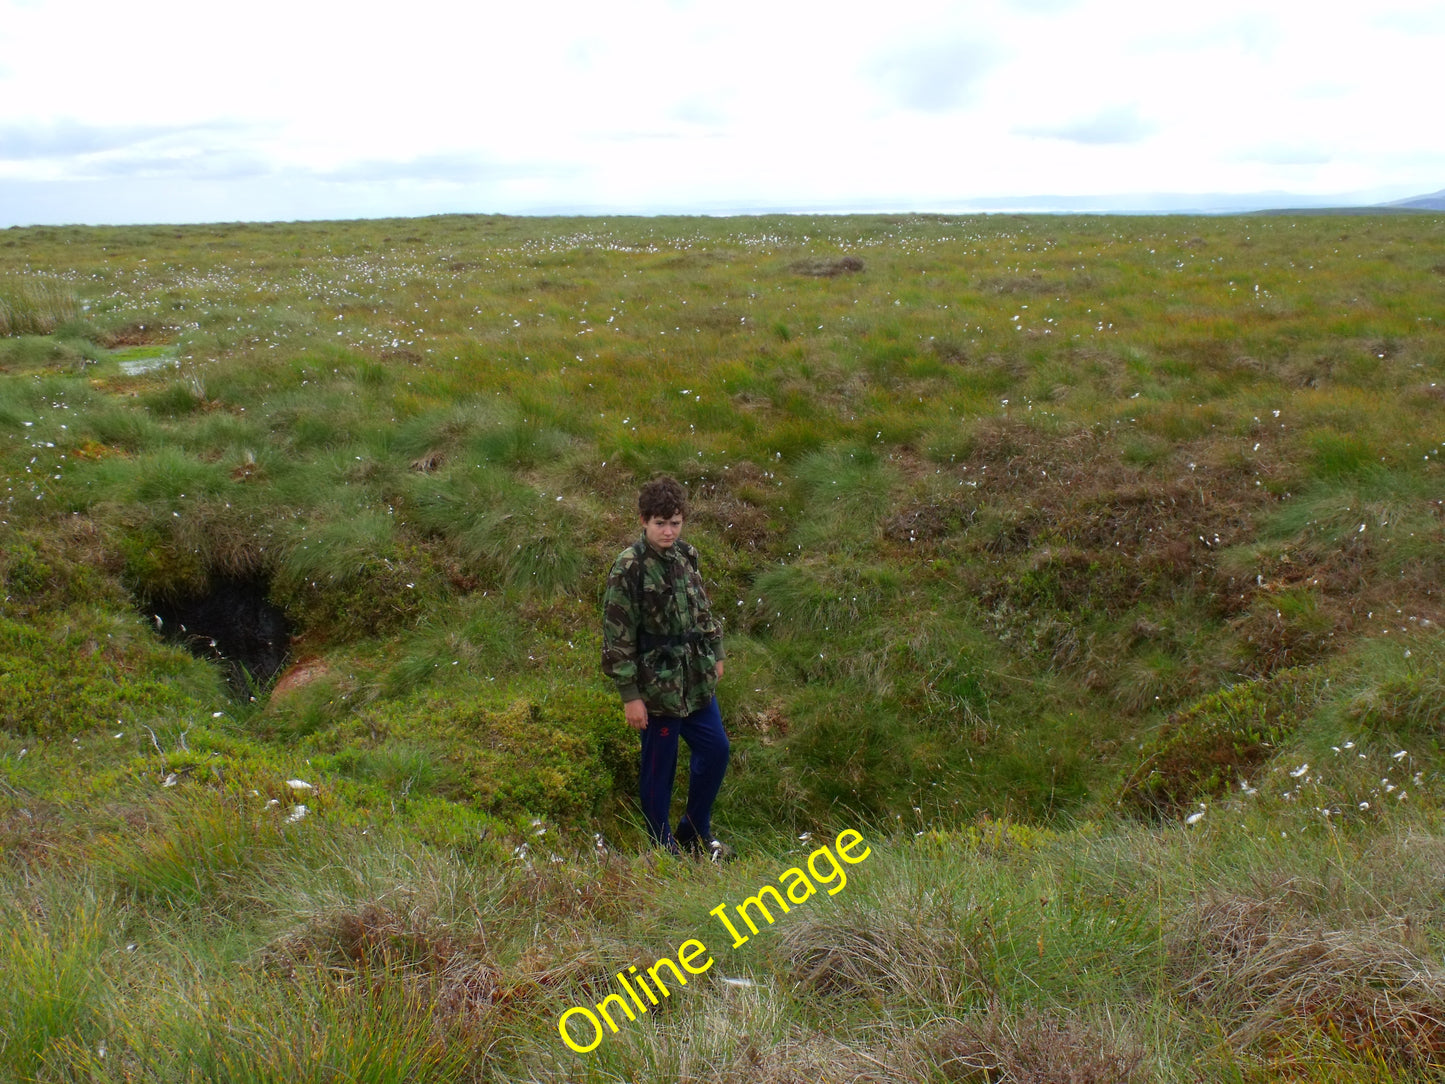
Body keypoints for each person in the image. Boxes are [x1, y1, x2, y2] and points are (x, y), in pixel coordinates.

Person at [601, 476, 732, 859]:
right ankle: (663, 849)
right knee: (660, 768)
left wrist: (716, 650)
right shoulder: (628, 568)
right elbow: (617, 637)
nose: (668, 531)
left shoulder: (687, 556)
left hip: (695, 680)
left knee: (717, 750)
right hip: (656, 689)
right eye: (660, 523)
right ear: (644, 520)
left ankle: (694, 830)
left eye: (675, 522)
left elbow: (702, 607)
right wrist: (630, 697)